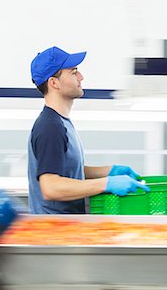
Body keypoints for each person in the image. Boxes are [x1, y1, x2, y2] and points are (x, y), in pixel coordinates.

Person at [28, 46, 149, 214]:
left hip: (66, 228)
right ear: (54, 83)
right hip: (54, 233)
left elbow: (67, 171)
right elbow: (51, 187)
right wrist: (106, 184)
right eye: (73, 72)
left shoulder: (60, 122)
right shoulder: (50, 127)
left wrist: (109, 171)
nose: (81, 77)